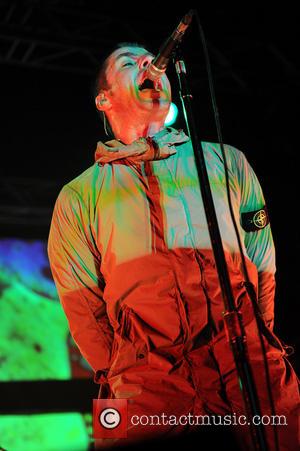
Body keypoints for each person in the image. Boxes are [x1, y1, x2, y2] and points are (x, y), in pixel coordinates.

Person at [48, 43, 299, 450]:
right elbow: (83, 308)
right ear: (104, 99)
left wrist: (256, 340)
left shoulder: (226, 162)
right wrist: (127, 371)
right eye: (130, 63)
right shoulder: (80, 196)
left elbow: (262, 261)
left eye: (150, 59)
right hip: (146, 389)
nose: (149, 64)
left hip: (246, 373)